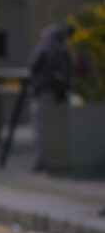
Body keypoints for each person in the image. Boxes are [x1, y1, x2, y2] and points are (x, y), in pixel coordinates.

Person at [27, 23, 73, 171]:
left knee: (40, 126)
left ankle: (42, 160)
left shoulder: (44, 47)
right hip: (60, 95)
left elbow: (33, 65)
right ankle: (58, 160)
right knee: (58, 129)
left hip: (43, 92)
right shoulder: (64, 50)